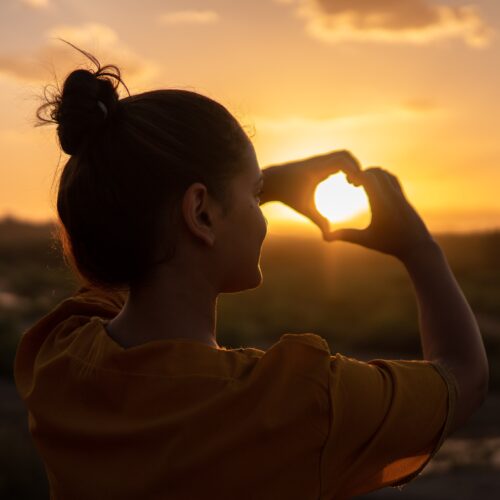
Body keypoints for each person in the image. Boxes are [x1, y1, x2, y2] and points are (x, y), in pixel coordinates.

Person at [14, 45, 488, 500]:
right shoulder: (298, 402)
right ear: (200, 213)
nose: (261, 212)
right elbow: (463, 376)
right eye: (254, 194)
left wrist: (251, 186)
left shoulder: (58, 356)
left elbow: (128, 244)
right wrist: (419, 248)